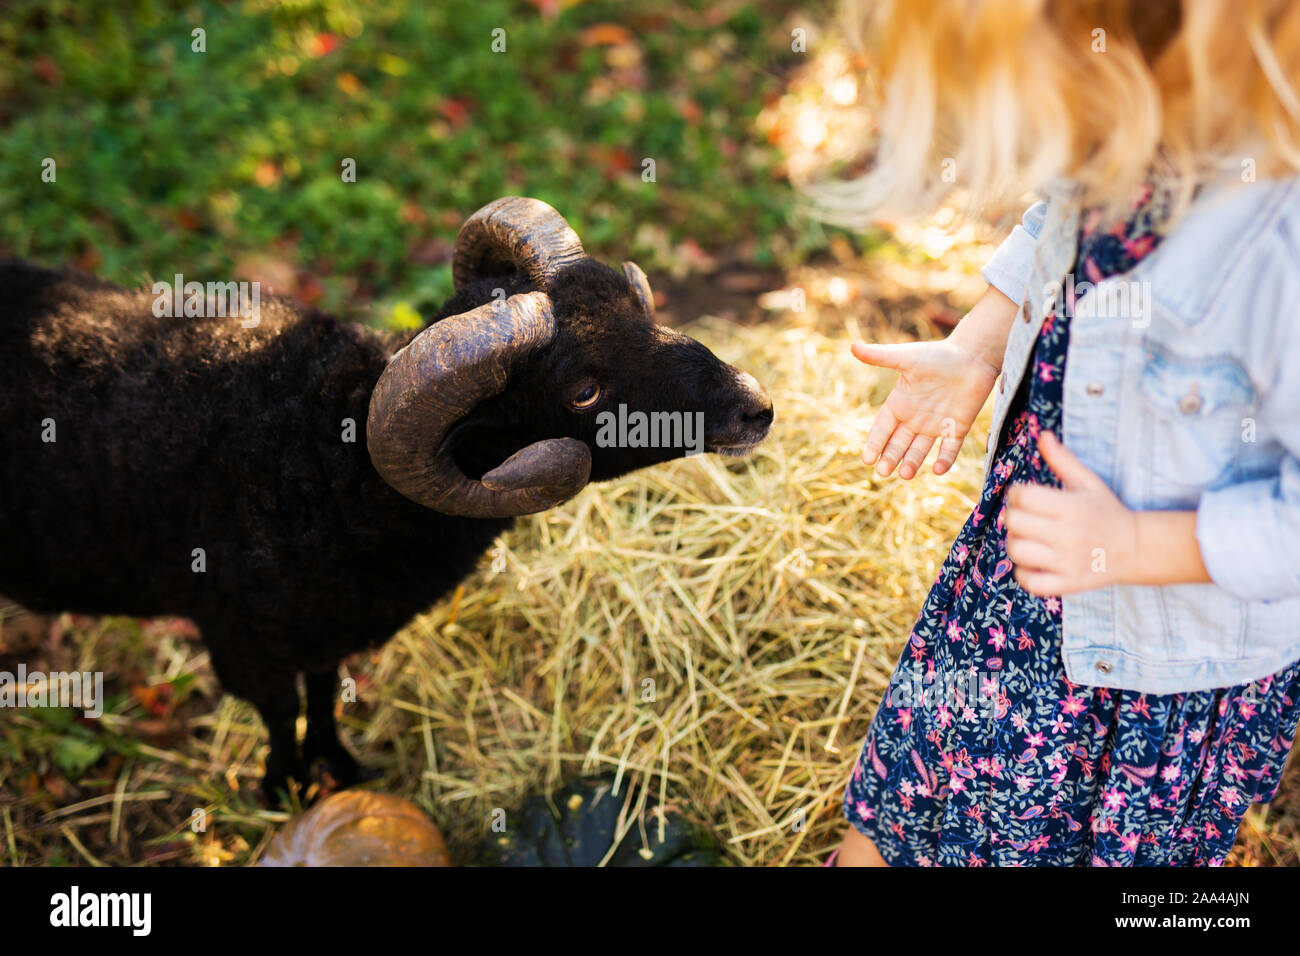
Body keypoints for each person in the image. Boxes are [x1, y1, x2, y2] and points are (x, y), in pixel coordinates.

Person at [828, 0, 1300, 866]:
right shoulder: (1128, 133)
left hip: (1155, 661)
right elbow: (1057, 222)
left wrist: (1141, 545)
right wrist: (982, 341)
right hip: (1018, 585)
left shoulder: (1280, 245)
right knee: (903, 804)